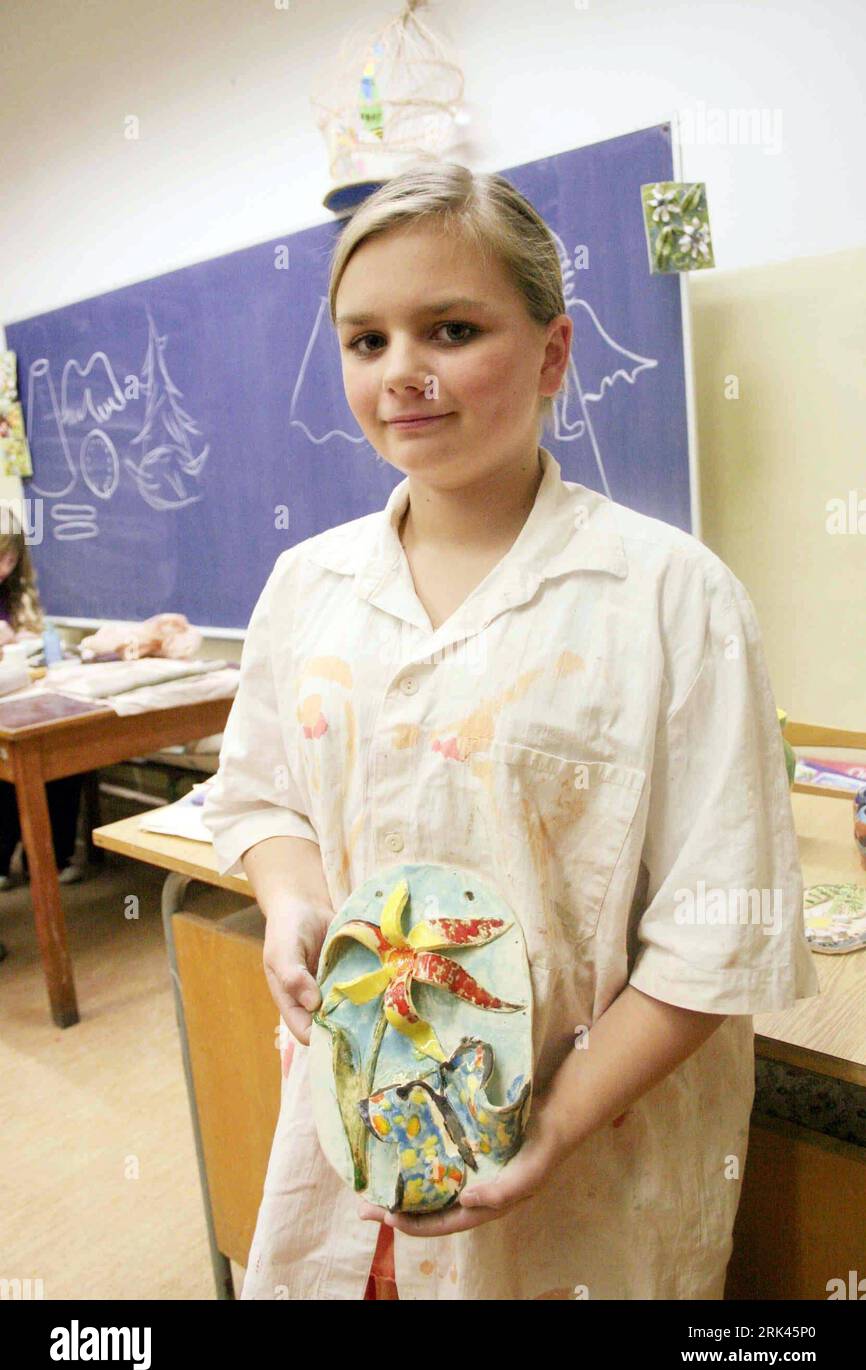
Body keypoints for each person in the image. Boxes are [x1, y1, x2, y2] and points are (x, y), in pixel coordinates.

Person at [202, 163, 820, 1300]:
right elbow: (261, 798)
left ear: (549, 353)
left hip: (589, 1158)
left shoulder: (669, 597)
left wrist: (553, 1121)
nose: (401, 374)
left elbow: (712, 929)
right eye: (364, 340)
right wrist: (290, 901)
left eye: (448, 328)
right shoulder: (307, 585)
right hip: (359, 1122)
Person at [0, 506, 84, 892]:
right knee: (9, 776)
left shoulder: (15, 591)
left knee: (66, 754)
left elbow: (34, 634)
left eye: (11, 558)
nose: (5, 567)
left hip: (23, 700)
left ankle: (52, 858)